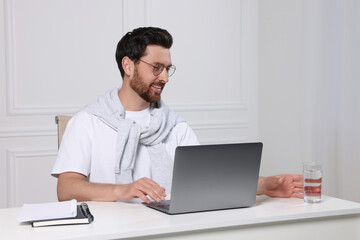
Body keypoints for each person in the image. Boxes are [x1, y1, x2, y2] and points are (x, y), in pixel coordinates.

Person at [52, 27, 303, 204]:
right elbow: (67, 189)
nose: (164, 78)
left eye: (168, 69)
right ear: (128, 66)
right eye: (156, 68)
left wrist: (265, 186)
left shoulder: (175, 127)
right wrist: (123, 190)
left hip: (169, 230)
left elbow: (205, 180)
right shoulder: (87, 122)